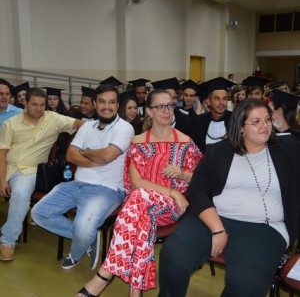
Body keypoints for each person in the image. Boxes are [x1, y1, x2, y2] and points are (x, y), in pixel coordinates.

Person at [158, 98, 300, 297]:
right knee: (173, 258)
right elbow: (197, 190)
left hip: (263, 228)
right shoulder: (219, 152)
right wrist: (217, 229)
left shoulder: (287, 150)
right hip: (214, 218)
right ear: (241, 127)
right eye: (256, 121)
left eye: (267, 120)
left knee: (245, 286)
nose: (265, 126)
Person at [76, 89, 202, 297]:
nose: (166, 110)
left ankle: (103, 277)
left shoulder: (185, 142)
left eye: (169, 105)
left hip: (172, 208)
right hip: (144, 205)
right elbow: (136, 182)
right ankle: (135, 290)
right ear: (149, 112)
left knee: (137, 201)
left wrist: (182, 174)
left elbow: (200, 178)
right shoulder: (138, 142)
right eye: (160, 106)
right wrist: (171, 190)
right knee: (140, 208)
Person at [31, 84, 134, 270]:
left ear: (117, 105)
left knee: (84, 228)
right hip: (76, 184)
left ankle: (77, 251)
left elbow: (107, 156)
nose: (107, 106)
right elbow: (71, 155)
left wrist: (85, 152)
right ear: (95, 103)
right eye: (102, 102)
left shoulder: (125, 128)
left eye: (111, 102)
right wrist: (96, 157)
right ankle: (89, 238)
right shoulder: (87, 127)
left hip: (107, 189)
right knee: (38, 213)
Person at [0, 87, 83, 261]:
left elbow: (79, 124)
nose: (38, 108)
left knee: (21, 193)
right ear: (25, 103)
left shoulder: (53, 119)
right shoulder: (10, 123)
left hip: (29, 172)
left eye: (42, 105)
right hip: (7, 166)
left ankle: (7, 241)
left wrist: (104, 129)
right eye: (34, 104)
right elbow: (2, 154)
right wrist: (1, 180)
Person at [195, 77, 235, 153]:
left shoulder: (234, 119)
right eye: (217, 99)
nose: (222, 103)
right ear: (208, 101)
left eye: (225, 98)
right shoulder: (199, 121)